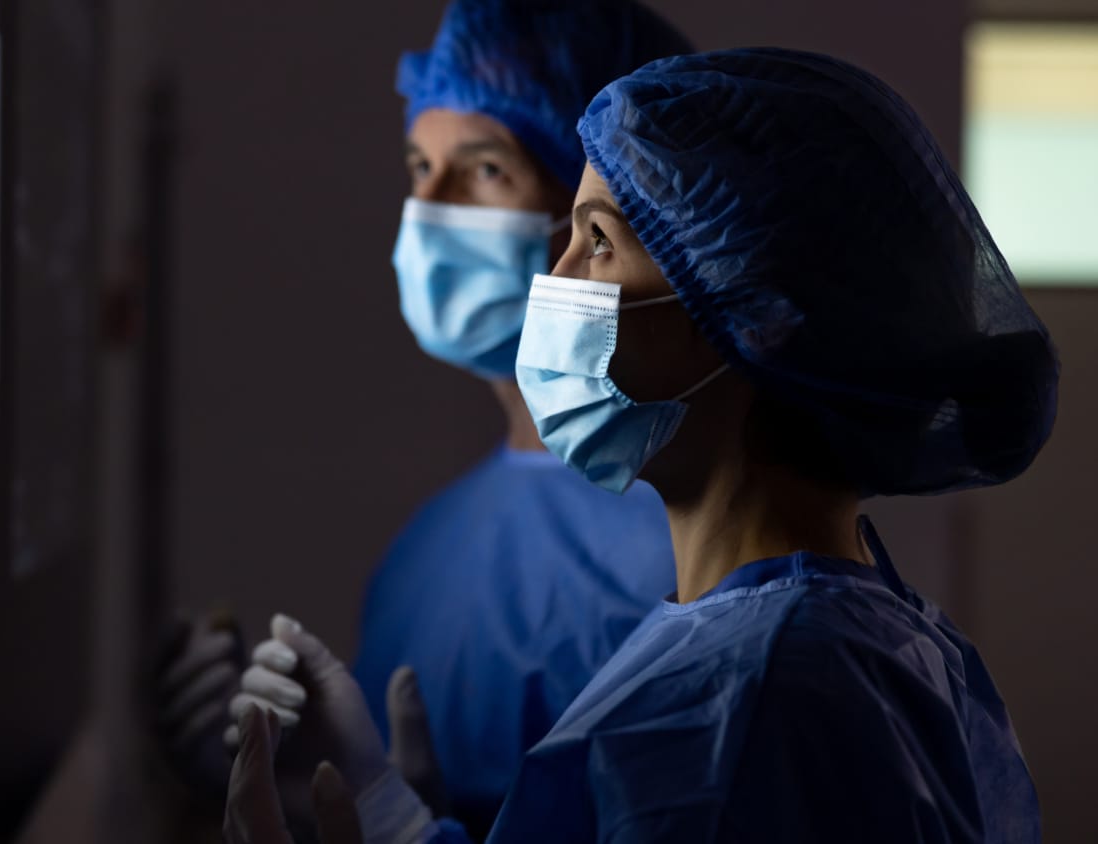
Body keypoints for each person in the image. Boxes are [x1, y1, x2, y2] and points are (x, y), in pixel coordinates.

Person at [225, 47, 1058, 843]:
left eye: (597, 242)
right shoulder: (845, 640)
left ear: (755, 317)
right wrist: (387, 813)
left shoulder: (755, 703)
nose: (554, 280)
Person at [160, 1, 691, 837]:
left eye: (484, 171)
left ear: (602, 205)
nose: (429, 209)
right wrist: (272, 778)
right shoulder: (425, 549)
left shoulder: (685, 547)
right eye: (418, 165)